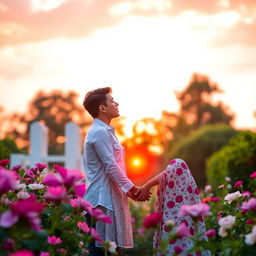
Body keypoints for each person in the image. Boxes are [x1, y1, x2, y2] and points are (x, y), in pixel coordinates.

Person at [82, 87, 151, 256]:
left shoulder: (106, 132)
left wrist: (128, 191)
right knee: (101, 251)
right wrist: (133, 189)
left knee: (113, 249)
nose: (116, 103)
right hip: (102, 201)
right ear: (102, 108)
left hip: (110, 198)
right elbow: (110, 166)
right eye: (112, 100)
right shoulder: (99, 133)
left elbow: (113, 168)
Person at [139, 158, 210, 256]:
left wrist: (146, 186)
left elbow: (166, 174)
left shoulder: (178, 165)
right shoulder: (188, 196)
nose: (167, 174)